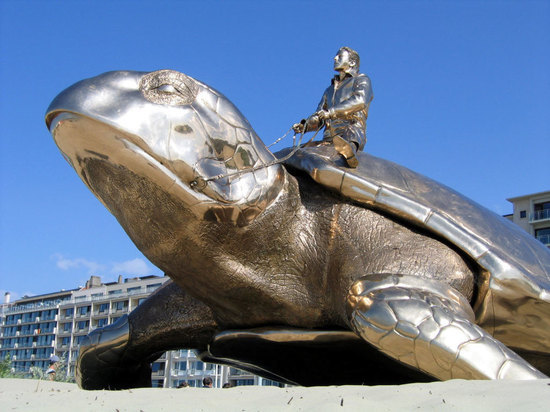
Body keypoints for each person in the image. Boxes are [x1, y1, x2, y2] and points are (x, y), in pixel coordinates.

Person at [293, 47, 373, 168]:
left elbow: (360, 101)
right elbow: (319, 116)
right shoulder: (329, 90)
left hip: (349, 131)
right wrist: (305, 126)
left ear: (352, 62)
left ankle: (350, 153)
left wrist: (331, 112)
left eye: (340, 56)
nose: (335, 58)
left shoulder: (361, 80)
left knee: (352, 133)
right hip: (327, 139)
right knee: (296, 153)